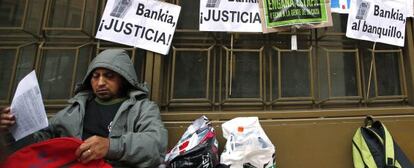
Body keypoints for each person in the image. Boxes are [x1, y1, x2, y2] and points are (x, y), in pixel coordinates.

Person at [0, 49, 168, 167]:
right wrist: (12, 128)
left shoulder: (142, 108)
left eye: (109, 76)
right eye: (96, 76)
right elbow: (37, 146)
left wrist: (110, 146)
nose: (101, 82)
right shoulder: (73, 110)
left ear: (124, 79)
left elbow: (155, 145)